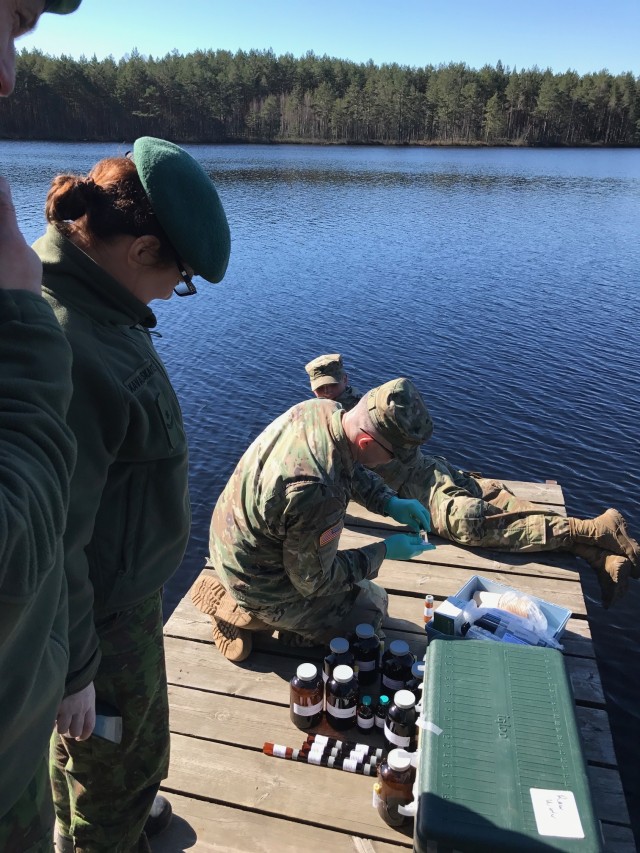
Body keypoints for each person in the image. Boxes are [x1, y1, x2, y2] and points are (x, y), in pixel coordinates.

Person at [34, 137, 230, 852]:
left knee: (101, 751)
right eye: (179, 279)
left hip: (118, 599)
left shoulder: (96, 300)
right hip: (99, 619)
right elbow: (54, 536)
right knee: (118, 756)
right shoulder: (66, 336)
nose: (172, 297)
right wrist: (77, 670)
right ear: (142, 249)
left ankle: (100, 815)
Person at [305, 355, 640, 608]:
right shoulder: (366, 406)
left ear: (345, 379)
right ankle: (599, 555)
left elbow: (359, 474)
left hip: (420, 486)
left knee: (475, 523)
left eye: (332, 385)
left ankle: (594, 531)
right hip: (431, 470)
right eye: (321, 389)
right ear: (313, 391)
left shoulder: (354, 420)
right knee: (501, 507)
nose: (328, 392)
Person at [0, 2, 82, 852]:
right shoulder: (65, 338)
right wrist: (24, 327)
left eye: (21, 32)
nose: (9, 71)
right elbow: (42, 536)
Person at [192, 378, 434, 662]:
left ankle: (272, 615)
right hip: (259, 580)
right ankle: (253, 617)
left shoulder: (322, 410)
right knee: (369, 616)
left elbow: (346, 465)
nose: (391, 464)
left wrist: (388, 501)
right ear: (367, 441)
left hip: (230, 540)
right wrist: (383, 551)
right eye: (393, 457)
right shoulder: (318, 491)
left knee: (367, 597)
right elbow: (314, 581)